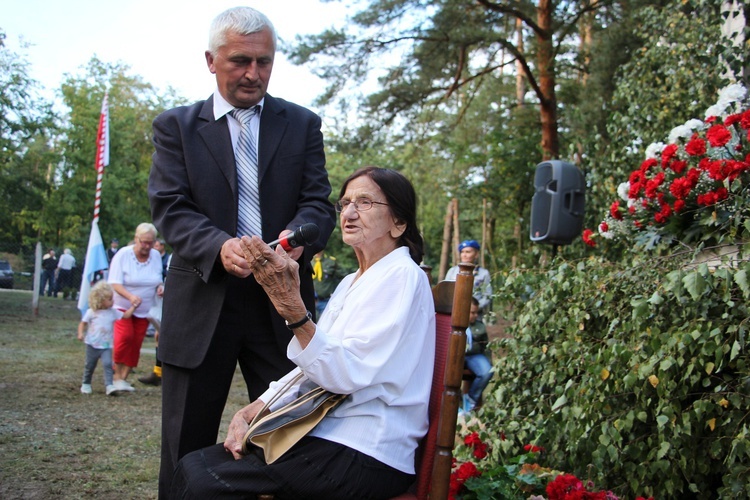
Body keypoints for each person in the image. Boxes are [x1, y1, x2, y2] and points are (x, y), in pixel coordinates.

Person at [147, 6, 336, 495]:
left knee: (287, 438)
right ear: (211, 61)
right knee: (184, 444)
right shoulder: (177, 128)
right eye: (240, 61)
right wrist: (220, 246)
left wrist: (296, 238)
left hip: (284, 309)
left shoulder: (302, 124)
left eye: (265, 62)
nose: (254, 73)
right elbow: (170, 207)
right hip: (202, 303)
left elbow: (318, 202)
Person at [170, 166, 434, 499]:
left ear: (399, 222)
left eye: (365, 202)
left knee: (205, 482)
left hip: (365, 451)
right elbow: (312, 369)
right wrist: (256, 406)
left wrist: (292, 309)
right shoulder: (351, 282)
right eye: (345, 203)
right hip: (328, 434)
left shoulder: (401, 277)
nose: (349, 213)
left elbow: (343, 374)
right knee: (194, 466)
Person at [107, 223, 165, 394]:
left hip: (145, 309)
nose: (147, 246)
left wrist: (160, 287)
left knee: (136, 342)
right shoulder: (123, 255)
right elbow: (114, 283)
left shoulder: (155, 256)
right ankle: (115, 375)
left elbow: (156, 278)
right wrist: (130, 297)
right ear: (136, 239)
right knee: (124, 338)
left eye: (150, 242)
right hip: (123, 308)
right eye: (144, 242)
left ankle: (123, 378)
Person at [77, 281, 137, 396]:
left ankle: (109, 385)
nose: (113, 301)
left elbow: (126, 316)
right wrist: (80, 333)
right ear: (100, 300)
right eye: (109, 299)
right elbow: (83, 323)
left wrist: (134, 306)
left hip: (106, 346)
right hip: (92, 345)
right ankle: (86, 383)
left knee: (108, 364)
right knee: (90, 365)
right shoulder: (92, 312)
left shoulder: (113, 312)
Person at [445, 239, 492, 317]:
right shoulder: (452, 271)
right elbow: (445, 292)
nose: (464, 255)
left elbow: (488, 295)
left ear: (476, 254)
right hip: (454, 313)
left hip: (475, 316)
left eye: (468, 252)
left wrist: (474, 308)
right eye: (462, 252)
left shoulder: (483, 273)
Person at [462, 297, 493, 413]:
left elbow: (486, 347)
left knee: (487, 371)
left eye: (477, 312)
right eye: (472, 312)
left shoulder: (480, 327)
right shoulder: (455, 323)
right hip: (457, 357)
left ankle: (470, 399)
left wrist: (489, 362)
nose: (475, 315)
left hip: (473, 356)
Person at [311, 250, 347, 317]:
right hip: (311, 300)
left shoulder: (331, 262)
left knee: (325, 323)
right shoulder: (309, 262)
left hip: (326, 300)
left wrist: (339, 293)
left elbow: (344, 277)